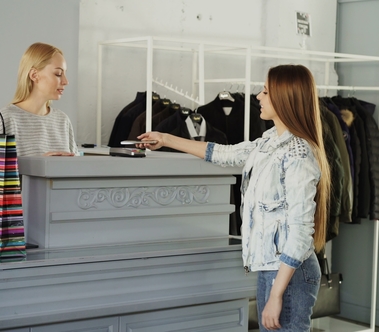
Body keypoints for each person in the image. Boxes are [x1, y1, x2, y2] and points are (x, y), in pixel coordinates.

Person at [137, 64, 331, 331]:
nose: (258, 97)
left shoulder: (298, 155)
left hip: (289, 276)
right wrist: (166, 138)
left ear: (285, 98)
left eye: (265, 91)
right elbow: (225, 153)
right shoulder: (268, 143)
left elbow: (300, 233)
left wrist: (276, 295)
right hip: (272, 270)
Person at [0, 42, 78, 156]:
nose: (66, 81)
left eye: (64, 74)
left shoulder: (62, 121)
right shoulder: (6, 119)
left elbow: (75, 169)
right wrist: (39, 166)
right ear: (34, 75)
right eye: (58, 74)